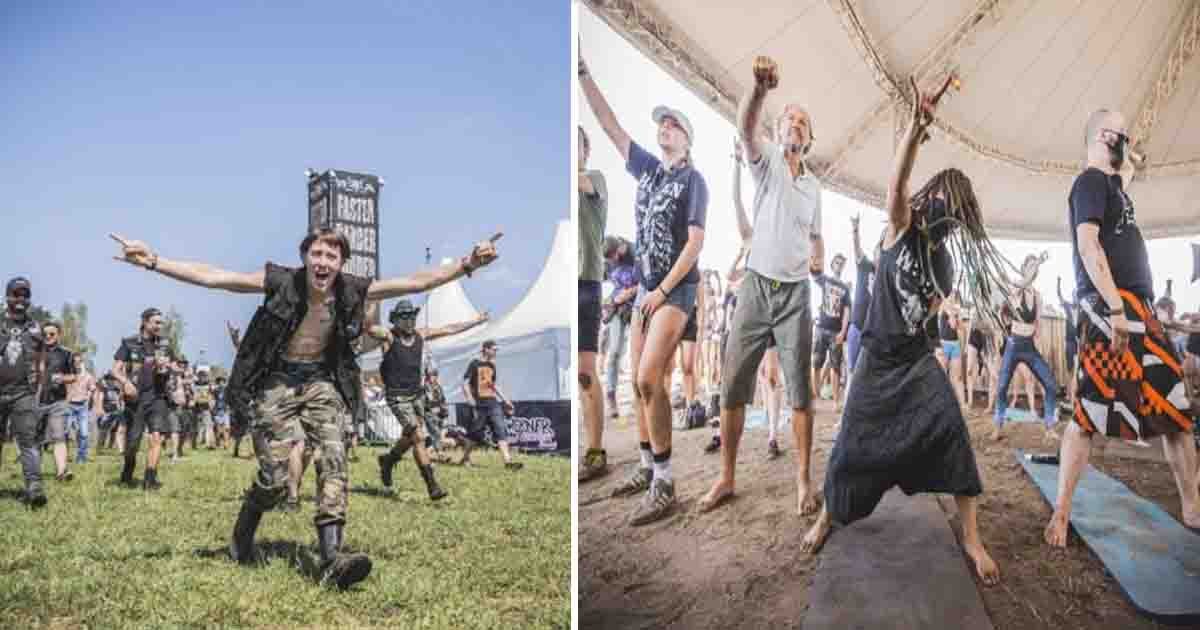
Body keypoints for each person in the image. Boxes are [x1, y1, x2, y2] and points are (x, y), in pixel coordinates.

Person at [110, 226, 499, 589]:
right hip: (275, 380)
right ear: (305, 257)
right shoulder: (281, 281)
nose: (323, 262)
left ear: (341, 263)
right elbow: (215, 277)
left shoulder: (352, 289)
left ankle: (331, 557)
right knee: (277, 479)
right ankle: (243, 533)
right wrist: (154, 261)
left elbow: (417, 281)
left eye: (332, 255)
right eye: (317, 253)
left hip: (321, 381)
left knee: (334, 459)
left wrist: (468, 264)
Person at [800, 76, 1001, 587]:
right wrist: (916, 125)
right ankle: (829, 515)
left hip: (914, 361)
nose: (947, 213)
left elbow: (929, 313)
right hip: (875, 358)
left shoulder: (947, 266)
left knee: (953, 431)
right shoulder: (900, 224)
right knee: (849, 445)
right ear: (931, 198)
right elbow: (896, 185)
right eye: (945, 201)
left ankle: (972, 537)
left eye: (957, 210)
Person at [1047, 108, 1200, 546]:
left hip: (1142, 312)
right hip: (1108, 308)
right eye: (1120, 132)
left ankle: (1192, 507)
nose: (1127, 138)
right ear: (1101, 136)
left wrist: (1130, 161)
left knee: (1176, 413)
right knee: (1086, 417)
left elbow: (1125, 173)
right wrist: (1115, 308)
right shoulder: (1090, 182)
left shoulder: (1113, 187)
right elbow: (1087, 242)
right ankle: (1061, 514)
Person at [580, 50, 708, 526]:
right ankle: (646, 466)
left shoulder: (694, 180)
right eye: (661, 125)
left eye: (673, 125)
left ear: (687, 138)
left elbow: (695, 242)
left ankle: (666, 482)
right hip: (645, 293)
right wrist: (583, 74)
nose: (664, 130)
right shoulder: (650, 170)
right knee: (636, 386)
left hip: (675, 291)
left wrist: (658, 292)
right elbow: (611, 127)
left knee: (651, 378)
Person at [700, 56, 822, 516]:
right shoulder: (766, 157)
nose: (796, 123)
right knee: (733, 383)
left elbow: (815, 231)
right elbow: (747, 127)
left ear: (809, 140)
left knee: (800, 392)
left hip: (795, 295)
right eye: (790, 117)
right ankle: (727, 477)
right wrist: (759, 90)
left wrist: (818, 251)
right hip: (755, 286)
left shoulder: (815, 188)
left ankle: (804, 482)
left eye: (803, 122)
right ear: (780, 126)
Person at [370, 299, 487, 499]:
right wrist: (365, 304)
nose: (408, 320)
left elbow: (449, 329)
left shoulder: (421, 335)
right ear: (396, 319)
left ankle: (389, 460)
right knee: (418, 437)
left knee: (409, 437)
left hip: (417, 396)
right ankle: (433, 486)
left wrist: (475, 321)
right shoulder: (389, 337)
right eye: (404, 316)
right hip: (398, 397)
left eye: (411, 316)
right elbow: (371, 329)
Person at [991, 253, 1058, 443]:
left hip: (1029, 347)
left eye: (1034, 267)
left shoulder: (1037, 296)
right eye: (1029, 265)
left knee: (1051, 386)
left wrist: (1041, 346)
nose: (1033, 269)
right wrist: (1038, 262)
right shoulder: (1015, 288)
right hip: (1013, 345)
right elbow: (1024, 281)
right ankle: (998, 426)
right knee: (1002, 386)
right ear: (1023, 269)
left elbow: (1039, 325)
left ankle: (1049, 428)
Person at [112, 308, 176, 490]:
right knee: (132, 443)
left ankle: (150, 478)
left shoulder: (165, 344)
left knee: (156, 437)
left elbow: (175, 366)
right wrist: (125, 382)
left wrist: (169, 368)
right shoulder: (129, 343)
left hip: (158, 397)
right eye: (156, 322)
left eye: (160, 323)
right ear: (145, 322)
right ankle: (128, 469)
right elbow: (115, 370)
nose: (159, 326)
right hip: (135, 399)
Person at [579, 124, 611, 482]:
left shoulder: (595, 179)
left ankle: (595, 451)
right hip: (568, 283)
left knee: (588, 373)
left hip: (587, 283)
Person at [0, 277, 49, 507]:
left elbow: (41, 363)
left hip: (23, 394)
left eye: (25, 295)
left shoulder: (36, 328)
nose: (21, 299)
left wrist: (36, 392)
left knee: (28, 440)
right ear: (7, 295)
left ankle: (34, 486)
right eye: (16, 294)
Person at [460, 340, 522, 469]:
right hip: (479, 404)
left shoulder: (492, 365)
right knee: (475, 434)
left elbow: (493, 385)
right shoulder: (474, 363)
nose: (495, 352)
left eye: (496, 350)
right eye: (494, 349)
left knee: (500, 429)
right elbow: (465, 383)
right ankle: (465, 459)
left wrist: (505, 400)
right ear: (486, 349)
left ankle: (508, 462)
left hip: (493, 403)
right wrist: (469, 398)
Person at [601, 235, 637, 423]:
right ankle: (611, 395)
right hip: (617, 307)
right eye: (609, 259)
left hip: (637, 305)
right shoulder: (607, 261)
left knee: (636, 352)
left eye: (614, 257)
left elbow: (649, 279)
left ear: (621, 248)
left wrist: (631, 292)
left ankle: (639, 395)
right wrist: (611, 301)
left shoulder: (634, 251)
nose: (612, 262)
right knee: (614, 351)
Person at [39, 322, 78, 481]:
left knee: (59, 435)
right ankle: (33, 473)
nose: (48, 337)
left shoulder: (66, 354)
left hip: (58, 401)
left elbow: (74, 376)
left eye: (52, 334)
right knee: (35, 438)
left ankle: (62, 472)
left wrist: (62, 378)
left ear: (59, 335)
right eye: (45, 334)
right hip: (35, 400)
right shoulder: (34, 351)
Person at [813, 254, 851, 410]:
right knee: (816, 364)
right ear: (832, 264)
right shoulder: (826, 280)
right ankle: (814, 401)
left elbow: (847, 311)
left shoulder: (845, 288)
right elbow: (814, 273)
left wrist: (843, 331)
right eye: (837, 262)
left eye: (842, 263)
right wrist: (814, 257)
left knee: (835, 367)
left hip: (836, 332)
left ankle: (835, 402)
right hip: (821, 328)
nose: (839, 265)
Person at [935, 291, 966, 407]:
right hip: (944, 344)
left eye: (954, 296)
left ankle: (963, 404)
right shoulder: (943, 306)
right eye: (950, 295)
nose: (952, 297)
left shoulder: (957, 310)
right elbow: (952, 324)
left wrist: (958, 320)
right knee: (941, 376)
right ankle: (939, 403)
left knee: (957, 377)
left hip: (955, 344)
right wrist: (954, 316)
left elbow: (961, 328)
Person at [65, 353, 96, 464]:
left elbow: (92, 388)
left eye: (79, 361)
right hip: (69, 406)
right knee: (65, 432)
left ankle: (81, 458)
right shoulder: (69, 375)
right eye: (75, 361)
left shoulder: (88, 376)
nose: (77, 364)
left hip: (82, 406)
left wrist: (88, 397)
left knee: (84, 433)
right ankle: (64, 456)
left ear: (82, 362)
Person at [1056, 276, 1078, 410]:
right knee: (1070, 370)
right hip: (1070, 342)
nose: (1076, 296)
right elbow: (1059, 296)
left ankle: (1075, 397)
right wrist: (1059, 283)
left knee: (1077, 370)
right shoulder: (1068, 306)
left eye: (1077, 294)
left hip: (1079, 343)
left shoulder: (1083, 308)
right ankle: (1069, 396)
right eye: (1074, 294)